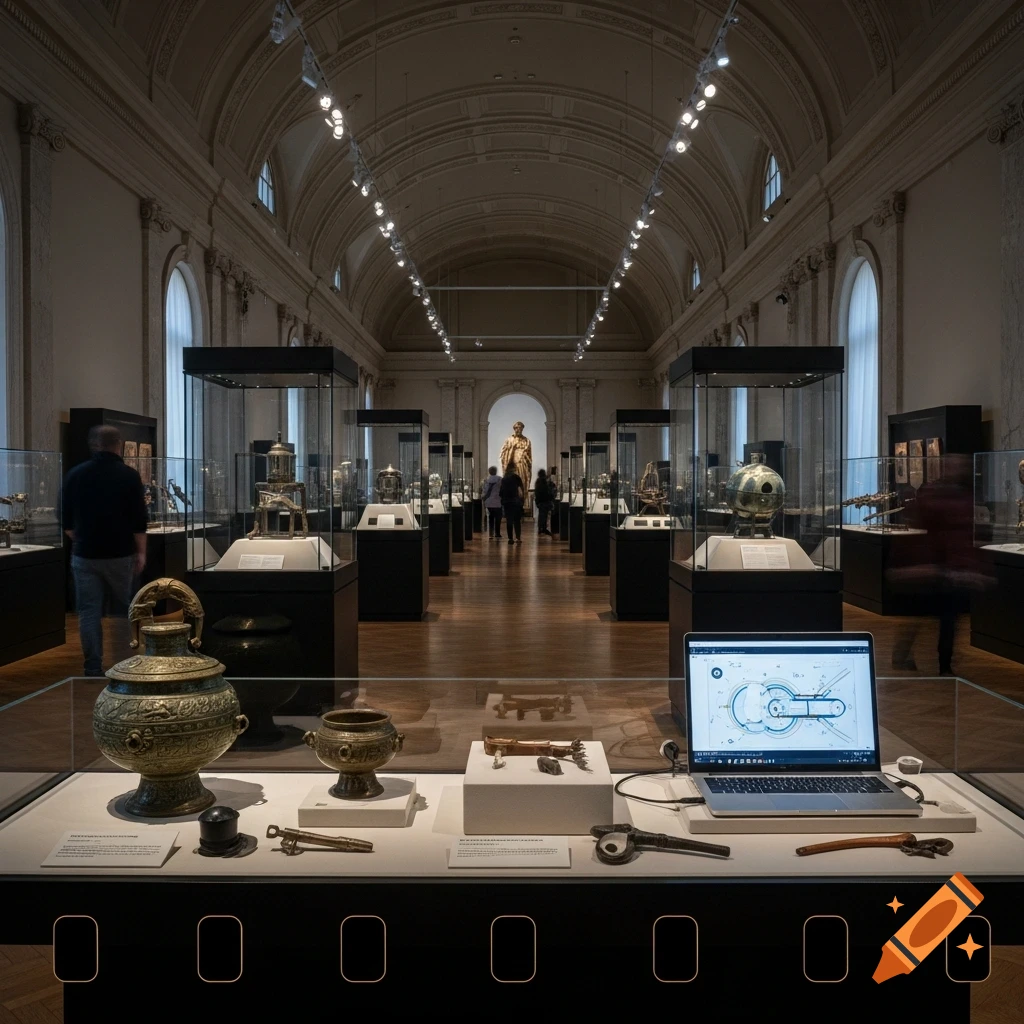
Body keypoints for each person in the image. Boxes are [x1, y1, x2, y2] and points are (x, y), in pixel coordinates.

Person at [62, 425, 148, 676]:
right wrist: (141, 552)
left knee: (89, 612)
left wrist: (83, 539)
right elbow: (138, 522)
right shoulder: (129, 476)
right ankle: (125, 664)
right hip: (121, 553)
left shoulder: (75, 474)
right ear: (118, 444)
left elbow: (66, 522)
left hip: (85, 554)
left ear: (94, 445)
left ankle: (92, 666)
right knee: (124, 610)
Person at [499, 460, 524, 545]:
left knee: (509, 520)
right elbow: (521, 490)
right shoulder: (517, 478)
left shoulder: (504, 479)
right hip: (516, 501)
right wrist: (522, 501)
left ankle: (510, 538)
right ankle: (518, 537)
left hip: (507, 502)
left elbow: (501, 491)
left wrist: (503, 499)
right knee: (517, 520)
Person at [481, 465, 503, 539]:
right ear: (496, 471)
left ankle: (491, 534)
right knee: (498, 518)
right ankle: (497, 533)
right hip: (498, 501)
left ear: (489, 472)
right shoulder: (500, 479)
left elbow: (484, 490)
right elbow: (502, 490)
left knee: (491, 518)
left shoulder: (486, 480)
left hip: (489, 501)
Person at [534, 468, 554, 536]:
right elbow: (548, 491)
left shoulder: (538, 482)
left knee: (541, 515)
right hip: (545, 501)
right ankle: (544, 528)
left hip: (539, 501)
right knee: (544, 516)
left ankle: (540, 528)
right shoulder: (545, 482)